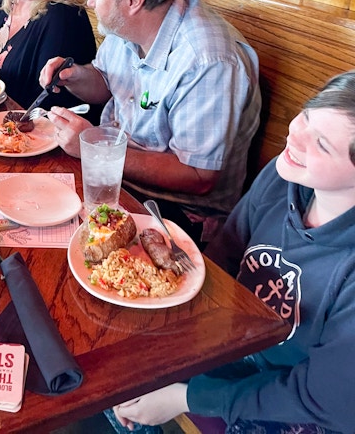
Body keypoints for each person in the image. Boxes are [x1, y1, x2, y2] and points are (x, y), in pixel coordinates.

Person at [106, 70, 355, 434]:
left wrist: (186, 397)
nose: (295, 134)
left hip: (296, 401)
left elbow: (323, 400)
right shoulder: (284, 176)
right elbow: (224, 259)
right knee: (118, 372)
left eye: (321, 143)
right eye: (305, 115)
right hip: (233, 347)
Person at [40, 0, 260, 243]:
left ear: (133, 0)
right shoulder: (126, 24)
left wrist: (96, 150)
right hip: (117, 180)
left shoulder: (207, 59)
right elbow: (106, 84)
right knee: (37, 207)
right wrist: (76, 76)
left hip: (179, 216)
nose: (90, 2)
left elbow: (199, 177)